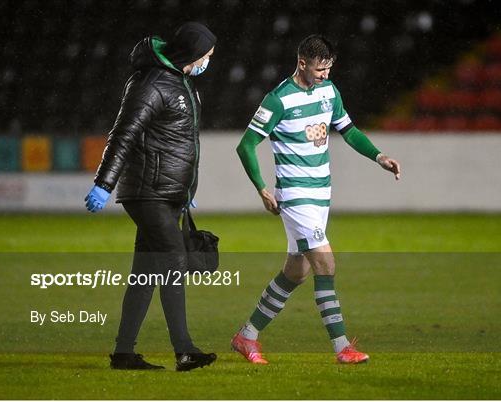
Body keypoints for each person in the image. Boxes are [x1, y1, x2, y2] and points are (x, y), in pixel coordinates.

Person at [232, 34, 401, 364]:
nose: (325, 74)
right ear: (302, 63)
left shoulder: (329, 91)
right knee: (326, 263)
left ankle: (246, 336)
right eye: (320, 68)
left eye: (329, 68)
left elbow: (348, 130)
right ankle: (342, 348)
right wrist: (262, 188)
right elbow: (246, 144)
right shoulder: (278, 100)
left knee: (296, 272)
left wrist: (379, 157)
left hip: (321, 193)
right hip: (295, 197)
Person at [84, 22, 217, 372]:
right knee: (173, 260)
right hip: (147, 192)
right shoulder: (152, 83)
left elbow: (179, 143)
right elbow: (124, 133)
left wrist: (186, 190)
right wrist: (104, 183)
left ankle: (124, 353)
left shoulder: (182, 83)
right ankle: (184, 350)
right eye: (207, 55)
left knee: (145, 272)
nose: (209, 61)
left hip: (166, 192)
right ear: (191, 53)